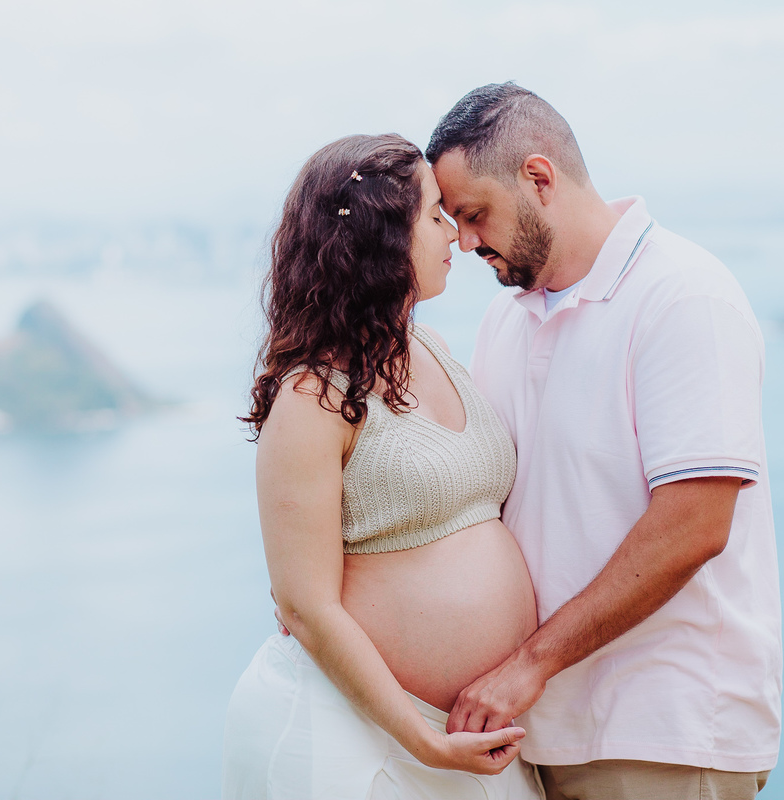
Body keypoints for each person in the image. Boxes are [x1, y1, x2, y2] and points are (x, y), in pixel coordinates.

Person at [424, 83, 782, 800]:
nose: (462, 242)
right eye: (452, 222)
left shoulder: (683, 296)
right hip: (537, 732)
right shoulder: (505, 322)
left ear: (538, 178)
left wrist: (530, 663)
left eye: (474, 215)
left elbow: (693, 526)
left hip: (663, 734)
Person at [221, 134, 544, 799]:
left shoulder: (437, 347)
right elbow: (305, 605)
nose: (455, 235)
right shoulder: (313, 397)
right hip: (356, 734)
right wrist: (420, 737)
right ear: (380, 240)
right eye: (433, 216)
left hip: (468, 733)